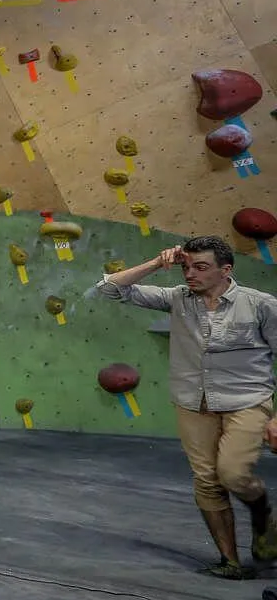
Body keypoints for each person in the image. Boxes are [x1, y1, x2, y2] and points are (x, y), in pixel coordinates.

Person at [100, 237, 277, 579]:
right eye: (186, 267)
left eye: (201, 267)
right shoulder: (178, 298)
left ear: (226, 270)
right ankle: (230, 561)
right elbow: (110, 289)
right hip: (192, 403)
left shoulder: (260, 305)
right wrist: (156, 263)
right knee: (207, 481)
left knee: (233, 474)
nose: (190, 274)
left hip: (246, 402)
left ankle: (261, 514)